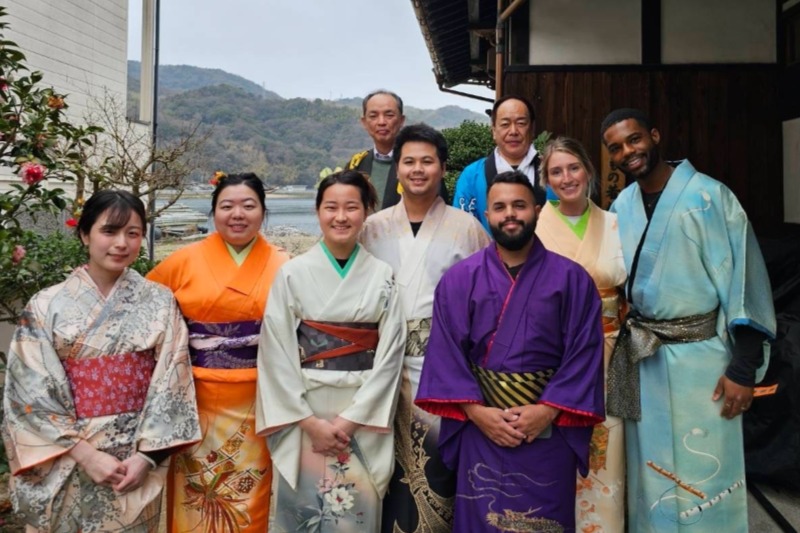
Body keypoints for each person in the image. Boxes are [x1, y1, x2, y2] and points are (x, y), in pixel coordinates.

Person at [601, 108, 776, 532]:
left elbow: (744, 282)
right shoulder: (621, 206)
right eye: (617, 148)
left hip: (705, 361)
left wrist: (743, 366)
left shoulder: (710, 196)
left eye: (635, 139)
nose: (629, 152)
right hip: (646, 358)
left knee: (706, 469)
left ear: (655, 136)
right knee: (651, 474)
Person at [416, 170, 606, 532]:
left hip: (547, 428)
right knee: (481, 519)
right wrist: (475, 412)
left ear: (537, 209)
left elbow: (585, 354)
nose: (510, 214)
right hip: (480, 425)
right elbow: (446, 354)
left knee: (545, 520)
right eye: (499, 207)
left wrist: (547, 410)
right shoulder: (460, 279)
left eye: (520, 205)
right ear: (486, 216)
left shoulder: (572, 279)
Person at [2, 190, 200, 531]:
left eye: (133, 233)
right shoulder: (46, 305)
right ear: (84, 234)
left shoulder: (159, 301)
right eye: (109, 231)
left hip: (134, 458)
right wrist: (85, 454)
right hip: (67, 455)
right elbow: (27, 392)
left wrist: (147, 457)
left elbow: (173, 380)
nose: (121, 243)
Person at [256, 170, 406, 532]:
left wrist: (350, 422)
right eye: (331, 207)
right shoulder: (292, 274)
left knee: (356, 516)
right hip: (306, 409)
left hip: (361, 411)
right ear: (317, 211)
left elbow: (390, 357)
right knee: (304, 512)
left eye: (351, 207)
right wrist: (307, 421)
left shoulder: (383, 275)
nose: (341, 217)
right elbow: (275, 352)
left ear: (366, 212)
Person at [360, 123, 489, 533]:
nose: (418, 169)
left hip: (441, 368)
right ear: (396, 168)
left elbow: (487, 300)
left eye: (427, 161)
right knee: (375, 475)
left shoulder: (467, 228)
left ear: (443, 168)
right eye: (409, 161)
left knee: (436, 470)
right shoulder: (372, 226)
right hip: (378, 368)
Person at [146, 173, 289, 532]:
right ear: (213, 212)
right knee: (193, 493)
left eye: (248, 205)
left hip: (259, 397)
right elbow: (144, 306)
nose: (237, 214)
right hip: (195, 397)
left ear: (263, 211)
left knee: (248, 498)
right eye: (227, 206)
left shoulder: (284, 265)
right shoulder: (183, 260)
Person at [535, 137, 627, 532]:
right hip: (553, 355)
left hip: (609, 350)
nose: (566, 177)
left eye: (573, 167)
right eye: (556, 171)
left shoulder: (615, 221)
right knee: (552, 445)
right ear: (546, 180)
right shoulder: (534, 224)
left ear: (588, 170)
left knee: (607, 446)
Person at [452, 94, 547, 230]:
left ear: (532, 129)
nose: (513, 131)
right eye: (505, 124)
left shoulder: (552, 173)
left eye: (521, 123)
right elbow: (463, 230)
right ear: (494, 131)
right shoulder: (472, 175)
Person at [346, 90, 447, 209]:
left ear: (401, 120)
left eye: (389, 115)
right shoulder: (356, 165)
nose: (381, 122)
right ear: (364, 122)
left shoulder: (421, 166)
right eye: (373, 116)